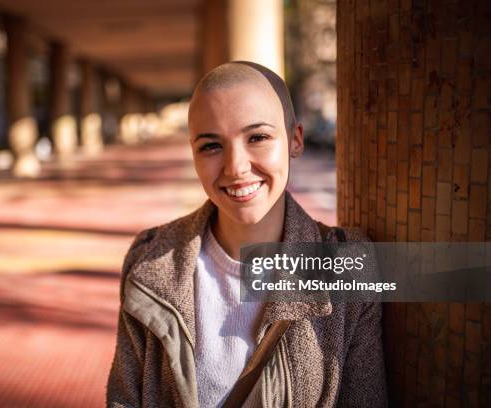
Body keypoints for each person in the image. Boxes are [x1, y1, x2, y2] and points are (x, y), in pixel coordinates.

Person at [107, 61, 387, 407]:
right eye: (211, 146)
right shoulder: (151, 260)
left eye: (258, 138)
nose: (236, 167)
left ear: (295, 140)